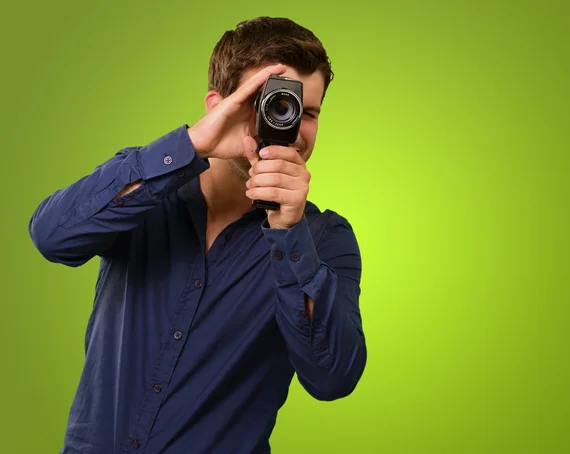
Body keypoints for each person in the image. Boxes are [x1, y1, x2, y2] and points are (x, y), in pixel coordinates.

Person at [29, 16, 367, 454]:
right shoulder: (142, 186)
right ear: (217, 105)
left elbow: (333, 376)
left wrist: (289, 231)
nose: (290, 124)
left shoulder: (323, 239)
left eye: (309, 112)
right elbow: (52, 237)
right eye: (267, 102)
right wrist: (189, 145)